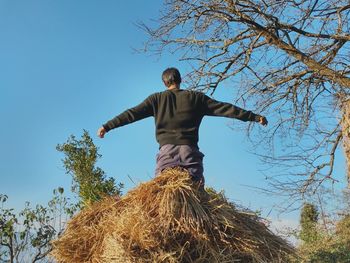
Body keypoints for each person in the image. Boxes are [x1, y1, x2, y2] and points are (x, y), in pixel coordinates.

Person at [97, 67, 267, 189]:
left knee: (162, 193)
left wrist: (107, 126)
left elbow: (131, 113)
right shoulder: (196, 98)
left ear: (165, 83)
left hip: (167, 152)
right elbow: (226, 108)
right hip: (189, 152)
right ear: (180, 80)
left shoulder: (156, 99)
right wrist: (254, 117)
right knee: (196, 193)